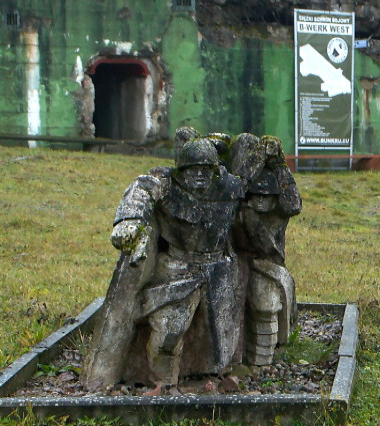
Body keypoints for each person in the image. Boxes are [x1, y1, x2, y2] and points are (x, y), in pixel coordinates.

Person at [83, 138, 245, 393]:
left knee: (223, 340)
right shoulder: (166, 186)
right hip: (177, 269)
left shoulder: (231, 188)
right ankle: (165, 383)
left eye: (206, 168)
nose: (200, 174)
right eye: (193, 168)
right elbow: (141, 189)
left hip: (218, 271)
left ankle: (215, 376)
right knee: (169, 329)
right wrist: (130, 221)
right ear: (182, 170)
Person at [230, 134, 301, 365]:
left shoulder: (277, 215)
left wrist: (279, 163)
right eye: (256, 197)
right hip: (233, 264)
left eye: (266, 197)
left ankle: (261, 363)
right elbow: (236, 188)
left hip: (266, 266)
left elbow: (293, 204)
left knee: (266, 306)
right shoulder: (238, 207)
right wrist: (259, 157)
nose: (260, 202)